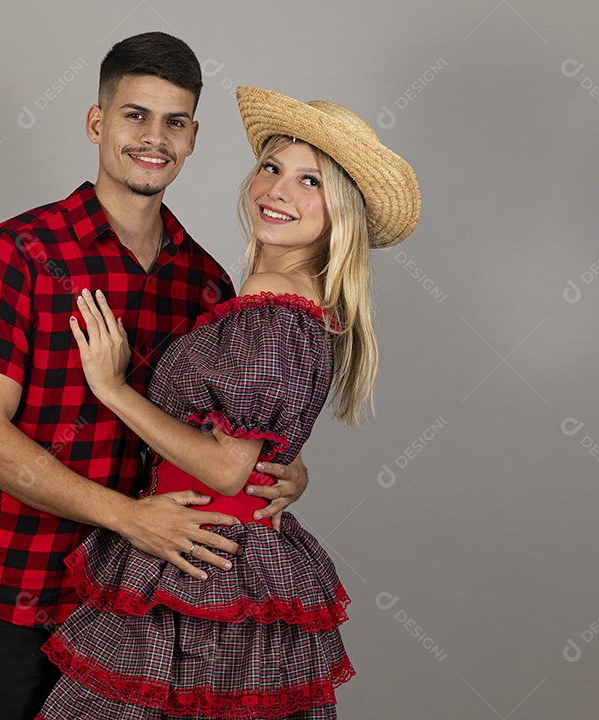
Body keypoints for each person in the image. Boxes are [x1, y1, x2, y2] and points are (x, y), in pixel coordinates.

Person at [0, 36, 312, 720]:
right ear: (96, 122)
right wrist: (130, 519)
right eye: (135, 115)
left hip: (142, 625)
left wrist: (280, 472)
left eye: (174, 122)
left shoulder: (205, 282)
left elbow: (210, 440)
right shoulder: (14, 253)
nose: (154, 138)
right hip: (17, 601)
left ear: (194, 137)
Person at [35, 86, 421, 719]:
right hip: (223, 550)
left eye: (310, 182)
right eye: (272, 167)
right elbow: (254, 454)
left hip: (203, 562)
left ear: (341, 213)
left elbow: (225, 468)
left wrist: (112, 388)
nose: (277, 190)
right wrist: (287, 471)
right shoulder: (279, 301)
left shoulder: (273, 300)